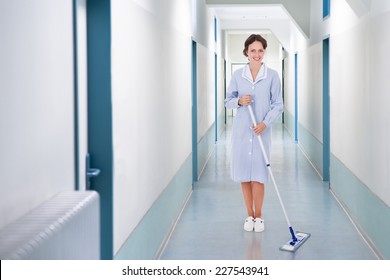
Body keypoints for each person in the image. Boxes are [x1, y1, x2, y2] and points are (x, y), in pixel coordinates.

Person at [225, 34, 283, 232]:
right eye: (253, 51)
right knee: (245, 176)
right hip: (242, 132)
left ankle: (259, 216)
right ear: (246, 52)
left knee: (258, 176)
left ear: (264, 52)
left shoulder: (273, 76)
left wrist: (265, 124)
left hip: (261, 133)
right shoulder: (237, 76)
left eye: (260, 50)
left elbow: (278, 105)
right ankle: (248, 215)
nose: (256, 54)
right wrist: (239, 101)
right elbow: (228, 101)